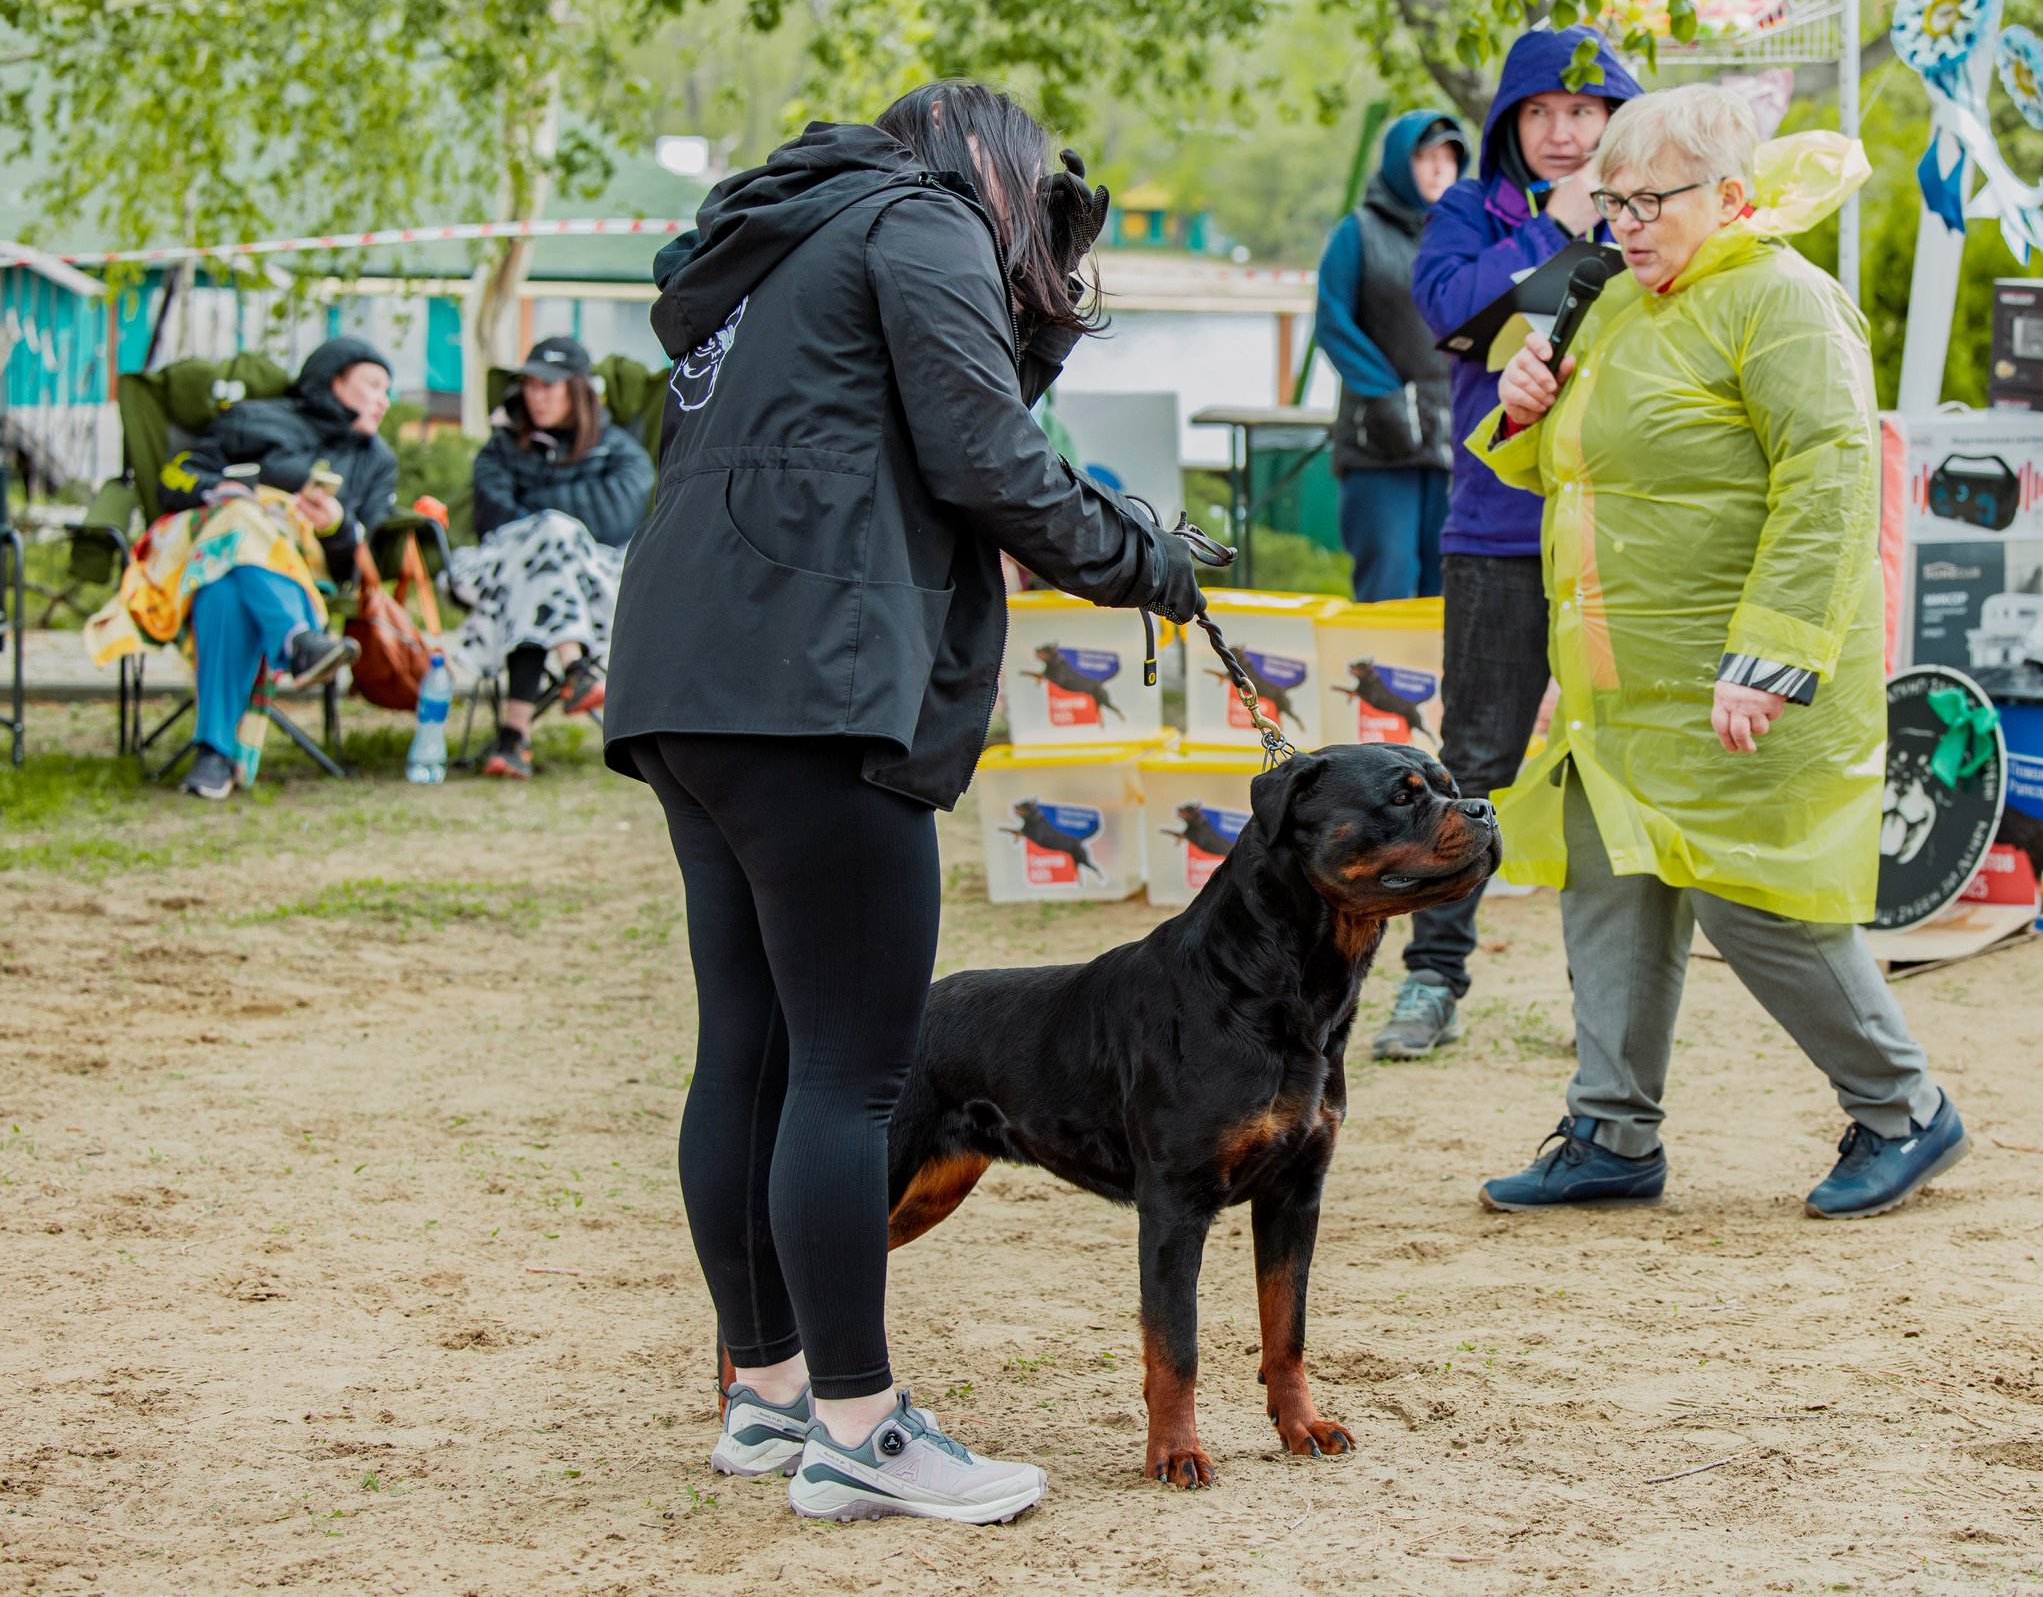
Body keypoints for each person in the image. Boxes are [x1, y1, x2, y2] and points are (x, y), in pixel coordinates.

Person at [603, 83, 1205, 1526]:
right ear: (992, 170)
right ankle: (860, 1431)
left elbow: (916, 418)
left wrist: (1040, 324)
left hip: (687, 676)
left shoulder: (773, 245)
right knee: (853, 1072)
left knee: (745, 1055)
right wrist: (1146, 558)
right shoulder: (925, 219)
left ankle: (767, 1393)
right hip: (813, 678)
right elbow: (987, 461)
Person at [1469, 85, 1968, 1221]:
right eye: (1611, 203)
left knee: (1758, 898)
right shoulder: (1608, 304)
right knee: (1609, 881)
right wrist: (1522, 407)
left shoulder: (1784, 302)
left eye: (1653, 200)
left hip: (1740, 675)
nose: (1628, 224)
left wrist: (1772, 656)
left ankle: (1902, 1110)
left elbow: (1831, 483)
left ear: (1733, 196)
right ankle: (1609, 1130)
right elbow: (1577, 473)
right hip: (1621, 682)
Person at [1377, 27, 1642, 1058]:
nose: (1563, 132)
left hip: (1620, 535)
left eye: (1583, 111)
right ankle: (1433, 980)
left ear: (1619, 116)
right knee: (1474, 760)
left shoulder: (1655, 217)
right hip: (1495, 527)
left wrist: (1602, 223)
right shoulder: (1468, 212)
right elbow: (1450, 315)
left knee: (1612, 761)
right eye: (1538, 113)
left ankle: (1610, 989)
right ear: (1507, 126)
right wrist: (1561, 226)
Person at [153, 337, 396, 798]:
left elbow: (373, 556)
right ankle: (298, 641)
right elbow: (176, 476)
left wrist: (339, 525)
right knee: (240, 528)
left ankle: (214, 754)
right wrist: (220, 491)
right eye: (374, 384)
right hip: (216, 553)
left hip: (304, 570)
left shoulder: (375, 458)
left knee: (226, 584)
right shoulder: (253, 419)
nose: (384, 400)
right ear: (333, 380)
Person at [452, 334, 655, 778]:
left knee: (549, 539)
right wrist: (557, 514)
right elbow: (493, 515)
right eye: (529, 385)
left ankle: (513, 738)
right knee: (547, 538)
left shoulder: (620, 450)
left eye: (549, 385)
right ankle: (575, 667)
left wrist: (539, 505)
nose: (536, 396)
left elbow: (617, 517)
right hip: (508, 568)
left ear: (578, 389)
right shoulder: (502, 447)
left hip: (590, 577)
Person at [1313, 108, 1468, 602]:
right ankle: (1379, 678)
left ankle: (1441, 683)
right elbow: (1333, 324)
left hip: (1451, 439)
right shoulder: (1356, 233)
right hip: (1379, 442)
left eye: (1449, 156)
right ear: (1401, 162)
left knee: (1445, 583)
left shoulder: (1464, 235)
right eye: (1426, 156)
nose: (1439, 168)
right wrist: (1388, 397)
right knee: (1390, 578)